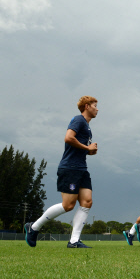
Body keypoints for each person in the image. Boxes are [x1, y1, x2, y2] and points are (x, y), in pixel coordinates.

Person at [25, 96, 98, 248]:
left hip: (81, 169)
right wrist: (87, 148)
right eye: (95, 105)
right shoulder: (78, 120)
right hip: (70, 168)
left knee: (87, 201)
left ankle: (74, 241)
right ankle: (33, 227)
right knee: (68, 205)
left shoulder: (87, 126)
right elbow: (68, 138)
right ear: (87, 106)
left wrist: (89, 152)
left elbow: (78, 146)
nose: (97, 109)